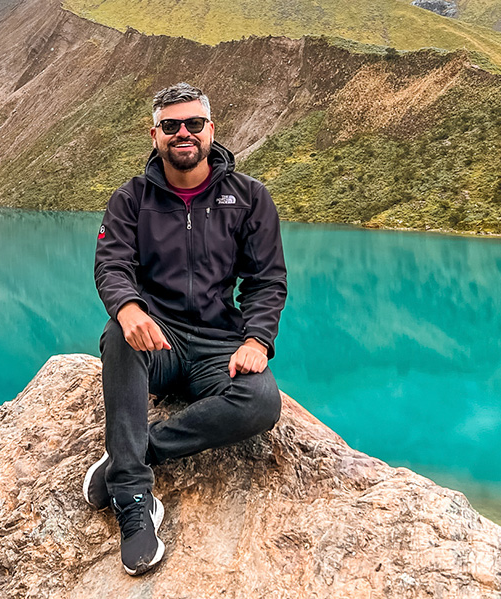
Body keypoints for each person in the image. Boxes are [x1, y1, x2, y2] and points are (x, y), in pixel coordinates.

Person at [85, 82, 287, 576]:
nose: (183, 133)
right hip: (160, 338)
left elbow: (267, 281)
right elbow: (112, 265)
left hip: (221, 343)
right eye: (171, 125)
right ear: (154, 134)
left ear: (210, 130)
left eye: (193, 124)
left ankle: (129, 455)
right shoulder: (130, 199)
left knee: (261, 401)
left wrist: (257, 339)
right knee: (118, 336)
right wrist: (129, 308)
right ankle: (133, 496)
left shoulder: (250, 198)